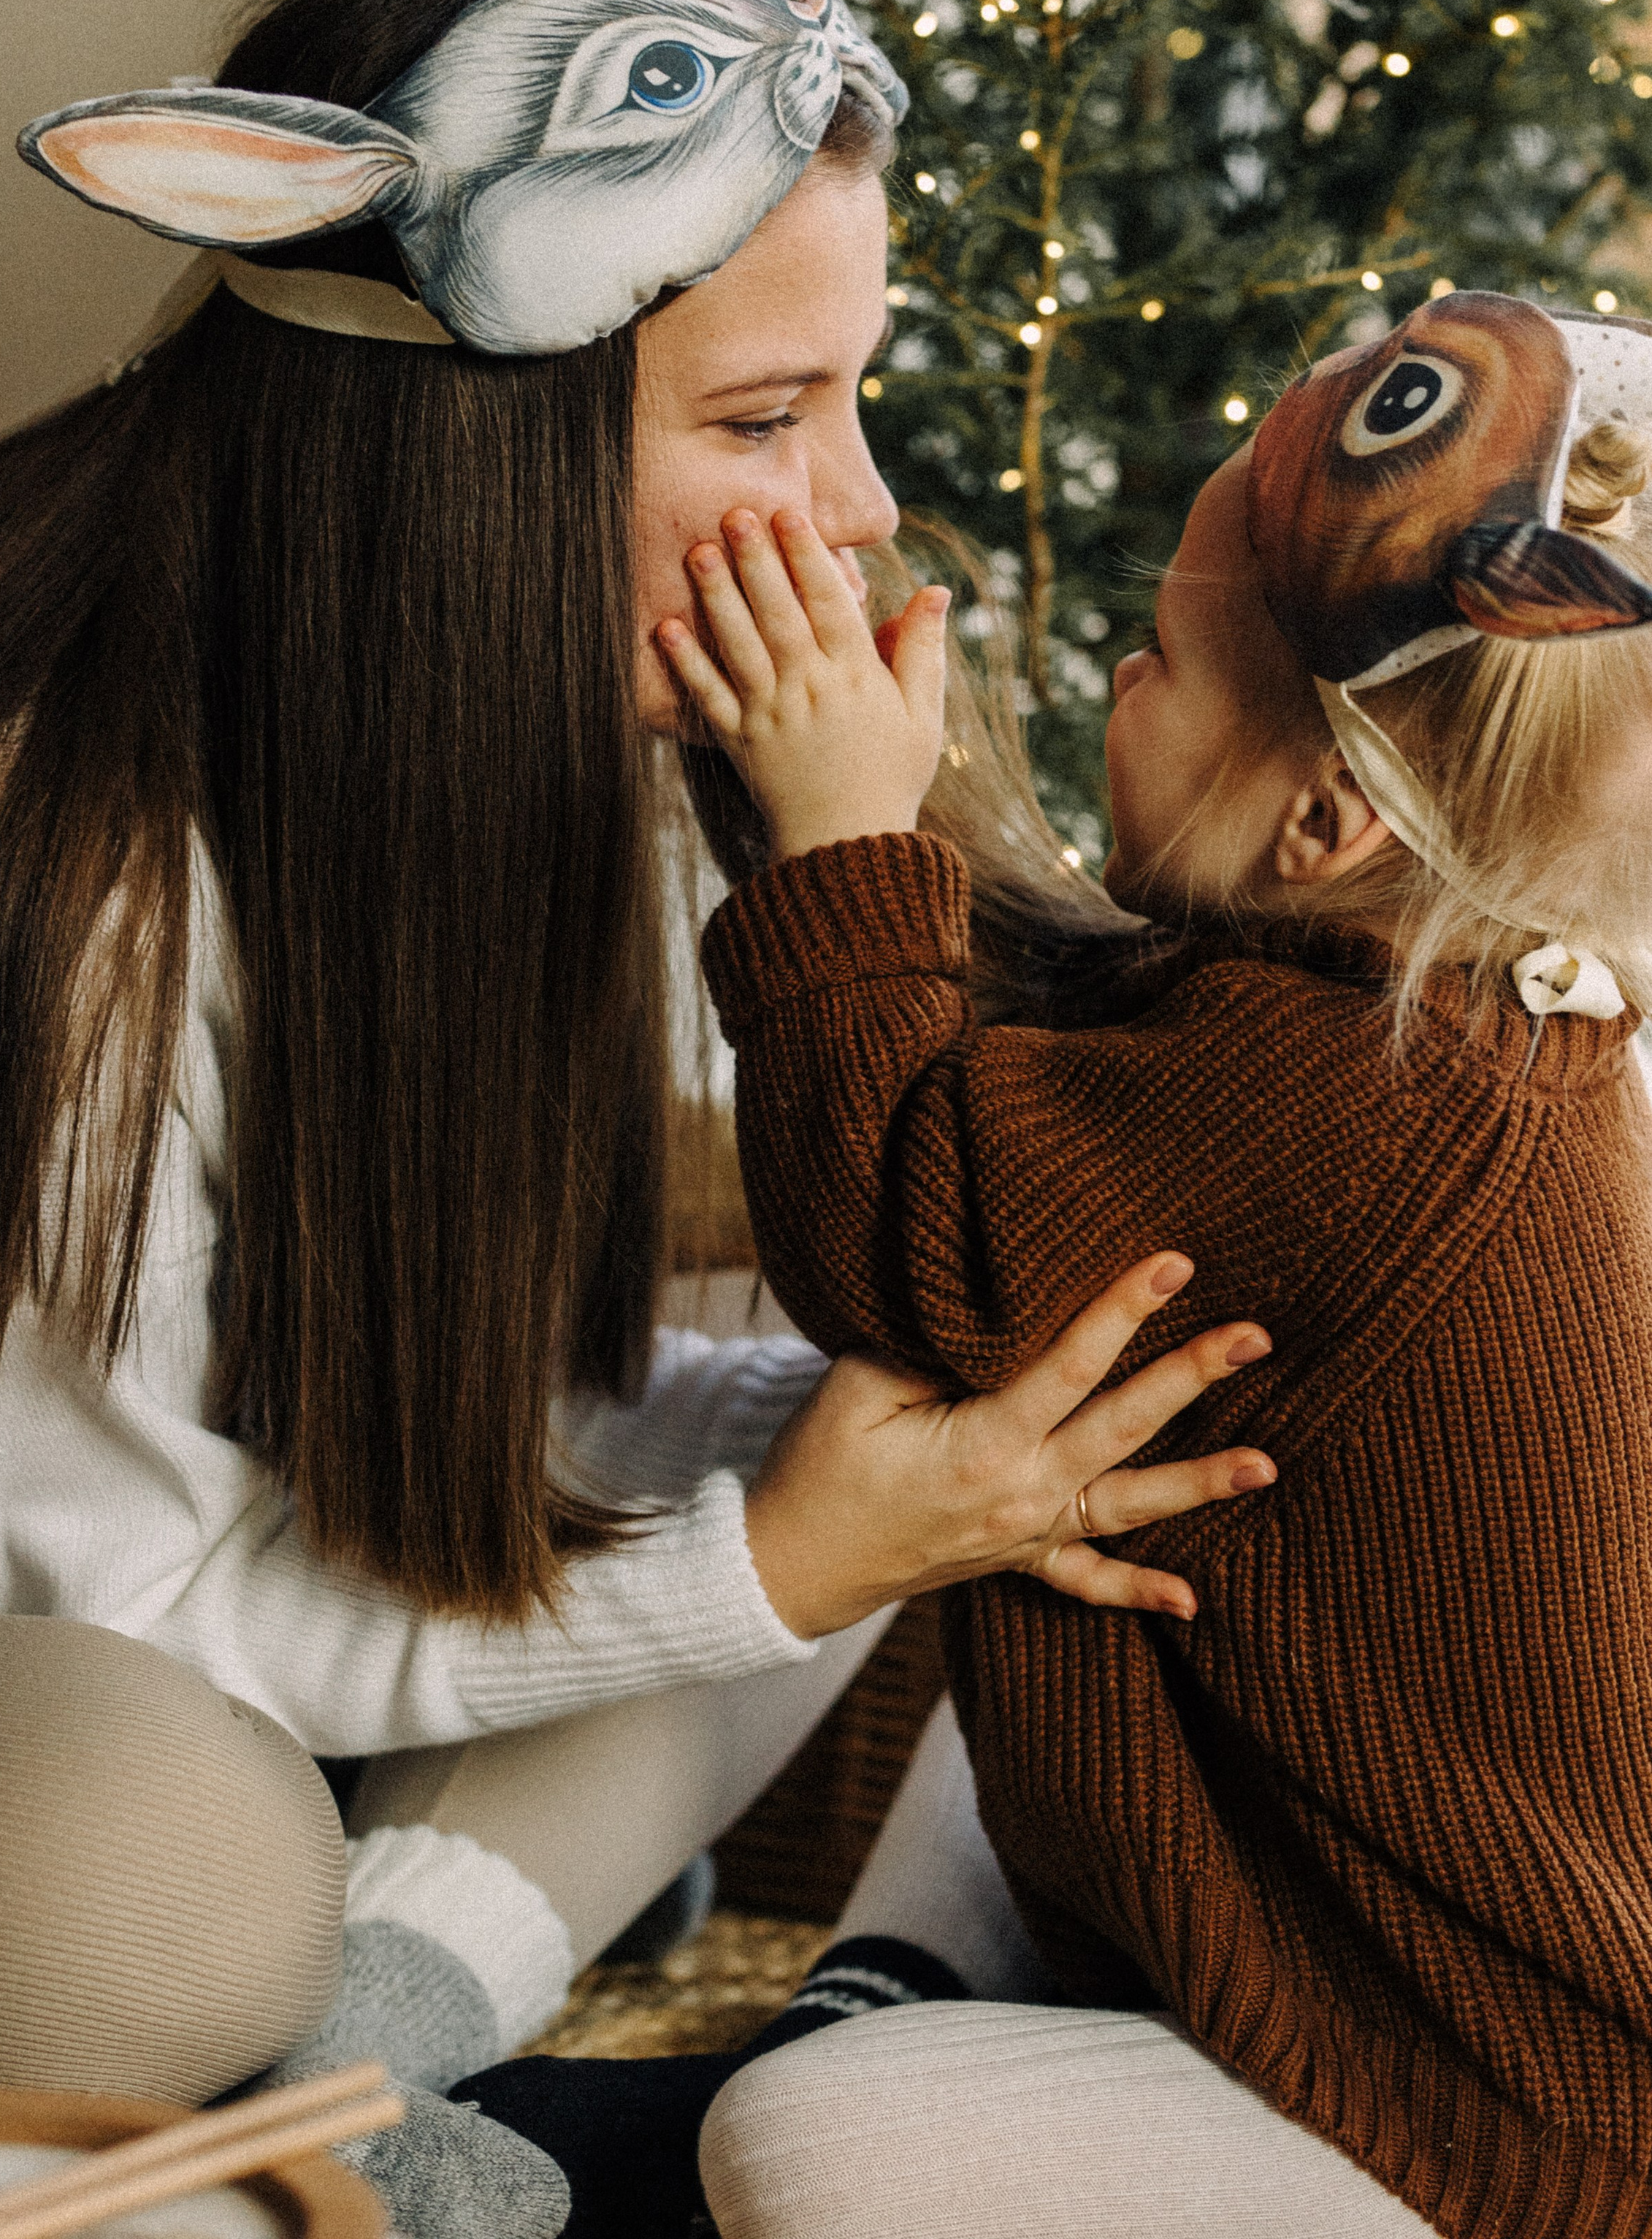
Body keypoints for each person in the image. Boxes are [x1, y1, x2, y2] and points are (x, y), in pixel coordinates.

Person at [0, 0, 1276, 2239]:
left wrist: (848, 1486)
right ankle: (312, 1974)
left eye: (853, 399)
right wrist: (760, 1571)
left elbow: (482, 1419)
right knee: (165, 1853)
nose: (864, 511)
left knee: (908, 1413)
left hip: (214, 1636)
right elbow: (123, 1608)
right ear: (467, 448)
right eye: (772, 415)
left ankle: (375, 2052)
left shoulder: (490, 745)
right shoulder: (16, 869)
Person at [510, 287, 1652, 2239]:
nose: (1113, 688)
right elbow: (1036, 1079)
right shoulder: (1443, 1015)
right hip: (1415, 1944)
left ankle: (851, 2040)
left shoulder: (1338, 1092)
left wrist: (823, 849)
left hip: (1503, 2118)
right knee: (1050, 1581)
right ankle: (898, 1993)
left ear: (1322, 816)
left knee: (808, 2153)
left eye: (1153, 658)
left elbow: (899, 1238)